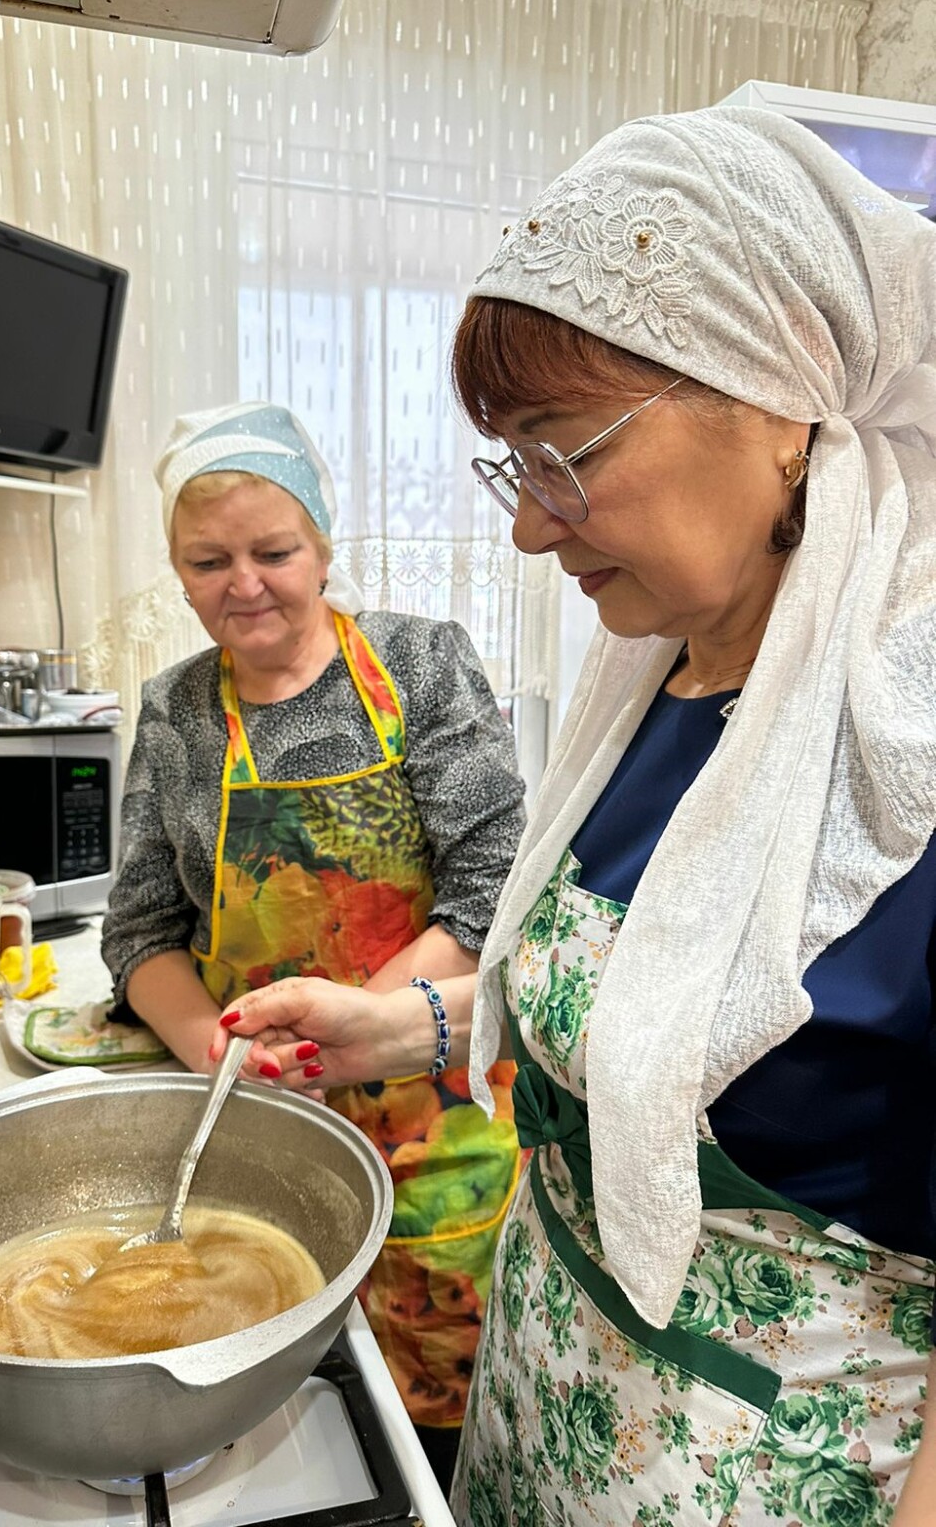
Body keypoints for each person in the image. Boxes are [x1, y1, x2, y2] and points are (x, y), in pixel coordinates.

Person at [211, 109, 936, 1525]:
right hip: (541, 1393)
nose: (528, 528)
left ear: (777, 405)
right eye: (509, 461)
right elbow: (672, 1000)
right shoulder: (652, 680)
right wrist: (411, 1026)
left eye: (559, 450)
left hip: (772, 1470)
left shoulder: (903, 746)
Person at [100, 400, 527, 1485]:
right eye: (208, 561)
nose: (244, 583)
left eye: (273, 551)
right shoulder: (176, 711)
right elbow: (141, 928)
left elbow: (491, 889)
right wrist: (220, 1049)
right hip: (248, 1119)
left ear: (325, 545)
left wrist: (355, 1032)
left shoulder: (422, 666)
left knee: (436, 1422)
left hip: (435, 1120)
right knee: (271, 1413)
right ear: (178, 571)